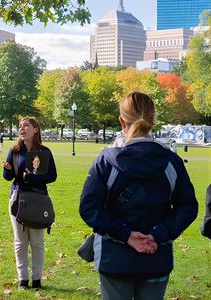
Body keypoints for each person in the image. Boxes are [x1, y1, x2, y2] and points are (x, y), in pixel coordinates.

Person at [79, 92, 198, 300]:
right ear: (153, 120)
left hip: (114, 259)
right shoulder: (172, 162)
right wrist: (158, 234)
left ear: (121, 120)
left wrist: (127, 235)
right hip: (156, 257)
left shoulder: (105, 162)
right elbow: (187, 207)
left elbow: (90, 208)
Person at [3, 116, 57, 290]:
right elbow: (8, 177)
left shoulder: (44, 151)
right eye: (20, 126)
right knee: (20, 242)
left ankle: (37, 279)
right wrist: (7, 170)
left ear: (35, 129)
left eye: (26, 125)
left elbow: (52, 176)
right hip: (18, 199)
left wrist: (33, 177)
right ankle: (23, 280)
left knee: (37, 242)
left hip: (38, 200)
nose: (22, 128)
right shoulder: (15, 150)